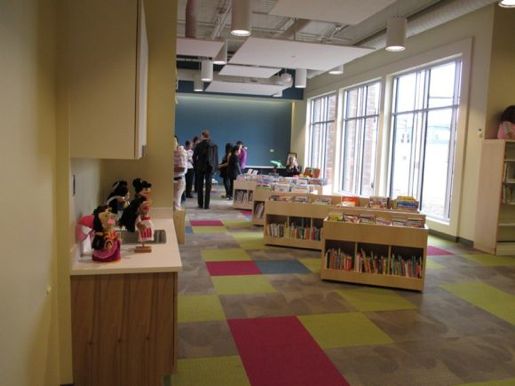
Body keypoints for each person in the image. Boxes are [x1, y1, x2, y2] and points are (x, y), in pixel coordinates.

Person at [193, 130, 217, 209]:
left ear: (202, 136)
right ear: (208, 136)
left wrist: (196, 165)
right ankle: (206, 205)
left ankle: (200, 204)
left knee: (200, 186)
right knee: (208, 187)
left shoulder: (198, 145)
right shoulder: (213, 145)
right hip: (209, 168)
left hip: (200, 167)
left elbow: (194, 157)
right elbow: (215, 158)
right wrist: (214, 168)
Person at [173, 135, 187, 210]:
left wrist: (168, 169)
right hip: (173, 180)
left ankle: (177, 221)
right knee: (172, 203)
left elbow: (182, 168)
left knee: (176, 204)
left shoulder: (181, 152)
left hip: (179, 180)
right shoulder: (172, 151)